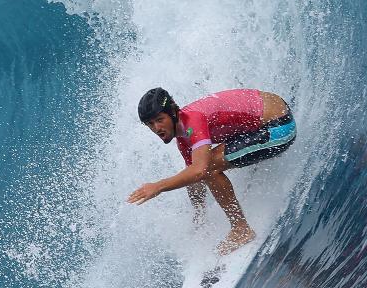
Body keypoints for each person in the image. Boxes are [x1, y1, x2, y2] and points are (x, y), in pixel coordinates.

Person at [127, 88, 296, 254]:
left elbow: (200, 171)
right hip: (268, 120)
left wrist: (158, 186)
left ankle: (241, 229)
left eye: (159, 119)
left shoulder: (193, 120)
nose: (156, 128)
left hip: (280, 127)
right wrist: (199, 215)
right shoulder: (184, 137)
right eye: (150, 124)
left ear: (172, 111)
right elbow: (193, 176)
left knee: (208, 167)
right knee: (201, 167)